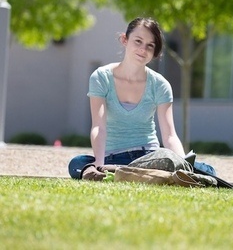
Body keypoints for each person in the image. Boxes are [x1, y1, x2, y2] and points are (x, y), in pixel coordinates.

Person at [68, 17, 187, 180]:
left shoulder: (160, 85)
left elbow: (169, 136)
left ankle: (129, 174)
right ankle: (137, 175)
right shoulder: (101, 77)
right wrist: (99, 166)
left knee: (204, 168)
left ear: (154, 52)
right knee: (77, 163)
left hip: (149, 158)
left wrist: (185, 166)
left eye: (150, 46)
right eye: (138, 41)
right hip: (111, 158)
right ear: (125, 40)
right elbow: (98, 127)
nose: (143, 50)